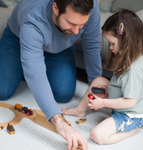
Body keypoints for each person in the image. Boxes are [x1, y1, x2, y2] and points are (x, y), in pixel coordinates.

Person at [0, 0, 102, 149]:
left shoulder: (90, 6)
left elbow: (92, 46)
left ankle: (31, 61)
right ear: (55, 8)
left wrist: (96, 86)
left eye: (81, 25)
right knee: (3, 90)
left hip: (59, 45)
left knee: (64, 93)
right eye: (71, 23)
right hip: (18, 38)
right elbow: (35, 74)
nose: (76, 32)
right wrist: (60, 123)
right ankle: (26, 61)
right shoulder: (32, 20)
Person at [62, 9, 143, 145]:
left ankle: (133, 128)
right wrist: (109, 93)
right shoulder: (130, 54)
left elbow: (130, 102)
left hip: (130, 114)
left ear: (125, 41)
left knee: (97, 135)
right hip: (120, 104)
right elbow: (120, 84)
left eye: (112, 44)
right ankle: (79, 110)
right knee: (98, 80)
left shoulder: (135, 69)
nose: (110, 48)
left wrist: (103, 103)